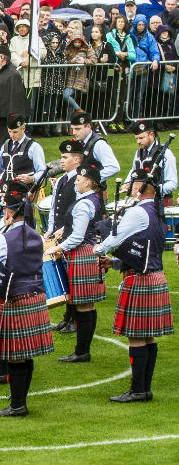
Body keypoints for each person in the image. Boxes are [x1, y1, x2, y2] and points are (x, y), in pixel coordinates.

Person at [0, 182, 55, 417]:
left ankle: (17, 405)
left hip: (15, 298)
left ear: (8, 213)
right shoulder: (36, 236)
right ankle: (20, 402)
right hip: (37, 296)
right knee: (26, 355)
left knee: (16, 357)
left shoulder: (3, 240)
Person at [95, 168, 173, 403]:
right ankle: (143, 388)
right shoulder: (158, 211)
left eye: (133, 183)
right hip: (155, 276)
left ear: (140, 188)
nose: (129, 186)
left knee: (136, 337)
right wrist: (116, 262)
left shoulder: (138, 212)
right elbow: (146, 249)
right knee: (148, 338)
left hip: (140, 280)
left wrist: (98, 250)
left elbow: (116, 237)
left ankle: (138, 390)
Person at [44, 157, 106, 363]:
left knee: (84, 306)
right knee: (86, 305)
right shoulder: (93, 200)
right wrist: (64, 230)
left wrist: (57, 248)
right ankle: (82, 350)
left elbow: (78, 236)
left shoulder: (84, 204)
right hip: (90, 253)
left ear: (88, 182)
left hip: (83, 255)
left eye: (78, 179)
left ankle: (82, 351)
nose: (76, 182)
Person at [46, 139, 85, 335]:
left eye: (65, 157)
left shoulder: (80, 181)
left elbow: (78, 210)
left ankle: (75, 319)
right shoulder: (62, 180)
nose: (61, 161)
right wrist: (51, 228)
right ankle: (67, 317)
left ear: (77, 160)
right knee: (65, 275)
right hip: (60, 233)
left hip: (72, 234)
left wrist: (65, 229)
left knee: (72, 278)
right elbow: (55, 208)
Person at [123, 121, 177, 205]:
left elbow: (172, 183)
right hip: (140, 200)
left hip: (160, 201)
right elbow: (134, 170)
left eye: (141, 138)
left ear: (151, 135)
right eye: (136, 138)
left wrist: (152, 190)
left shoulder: (165, 153)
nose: (138, 142)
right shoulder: (138, 152)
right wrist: (127, 183)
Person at [68, 111, 120, 190]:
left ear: (88, 126)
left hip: (95, 194)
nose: (74, 132)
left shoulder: (99, 144)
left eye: (77, 129)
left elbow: (113, 167)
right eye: (73, 129)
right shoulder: (77, 142)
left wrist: (91, 179)